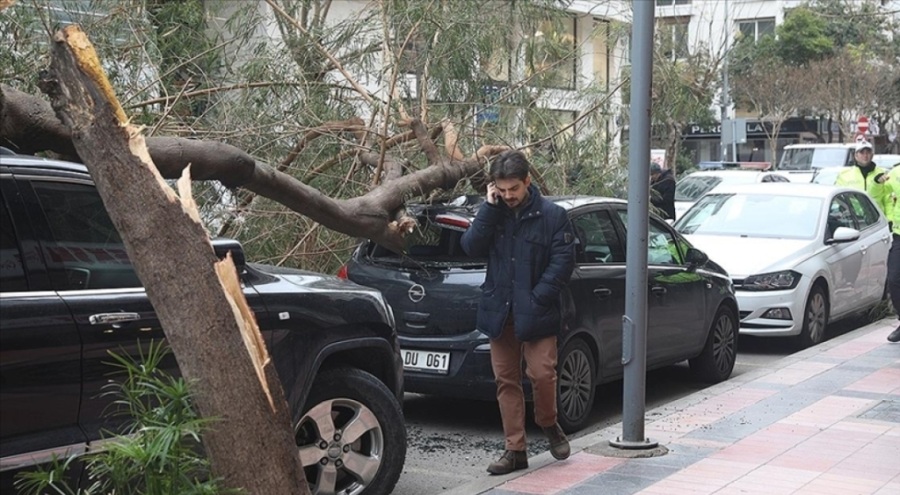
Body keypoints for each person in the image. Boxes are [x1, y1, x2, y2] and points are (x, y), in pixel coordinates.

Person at [460, 150, 576, 475]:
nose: (509, 195)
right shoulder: (493, 212)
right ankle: (515, 450)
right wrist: (488, 209)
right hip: (500, 312)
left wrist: (539, 297)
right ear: (494, 186)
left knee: (541, 374)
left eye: (514, 188)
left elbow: (563, 263)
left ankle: (549, 423)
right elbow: (470, 246)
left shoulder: (553, 216)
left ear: (528, 181)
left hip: (537, 311)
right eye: (503, 189)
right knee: (505, 380)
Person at [835, 140, 891, 214]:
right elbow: (837, 199)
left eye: (868, 152)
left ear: (872, 155)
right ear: (856, 155)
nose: (865, 155)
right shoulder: (845, 175)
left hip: (877, 220)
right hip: (854, 220)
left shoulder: (881, 174)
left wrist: (890, 220)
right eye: (862, 152)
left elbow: (888, 200)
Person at [880, 164, 900, 343]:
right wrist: (877, 181)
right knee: (894, 280)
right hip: (899, 236)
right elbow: (881, 194)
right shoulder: (895, 173)